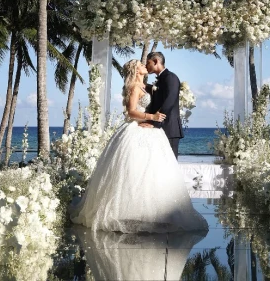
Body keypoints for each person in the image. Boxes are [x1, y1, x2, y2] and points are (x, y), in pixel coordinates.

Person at [69, 59, 208, 232]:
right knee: (133, 171)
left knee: (150, 172)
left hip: (150, 131)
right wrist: (152, 117)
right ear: (136, 70)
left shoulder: (145, 86)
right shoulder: (134, 87)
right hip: (136, 129)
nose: (145, 66)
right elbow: (131, 111)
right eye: (142, 65)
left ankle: (150, 211)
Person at [145, 52, 183, 159]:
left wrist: (155, 122)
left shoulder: (171, 77)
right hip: (160, 128)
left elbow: (169, 100)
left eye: (148, 63)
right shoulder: (161, 79)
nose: (146, 66)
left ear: (156, 61)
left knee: (170, 164)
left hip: (169, 128)